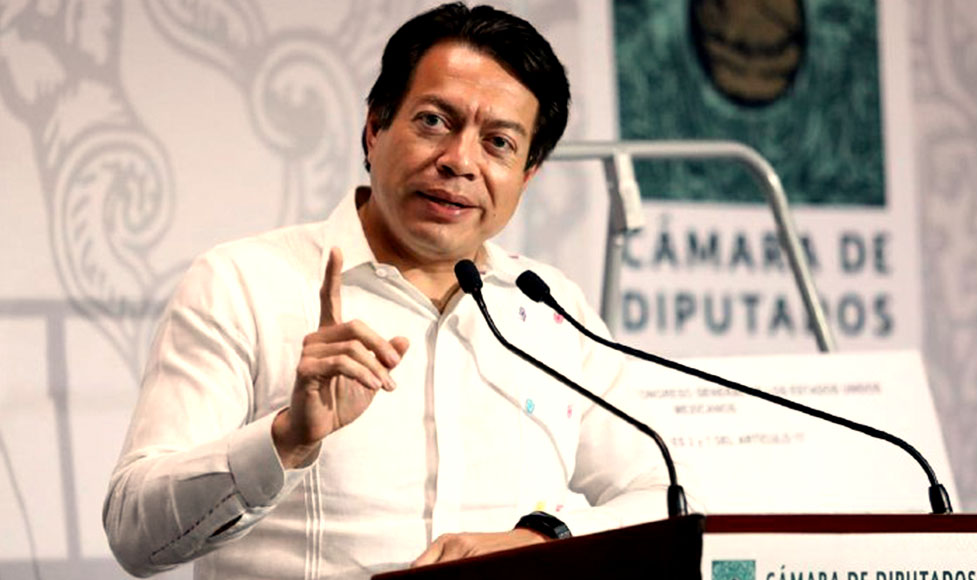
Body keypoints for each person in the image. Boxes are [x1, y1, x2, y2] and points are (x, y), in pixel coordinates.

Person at [103, 3, 672, 578]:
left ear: (528, 174)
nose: (459, 162)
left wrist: (547, 537)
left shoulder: (552, 308)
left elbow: (668, 494)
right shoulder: (243, 283)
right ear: (374, 128)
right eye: (434, 121)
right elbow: (133, 530)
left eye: (499, 142)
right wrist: (285, 441)